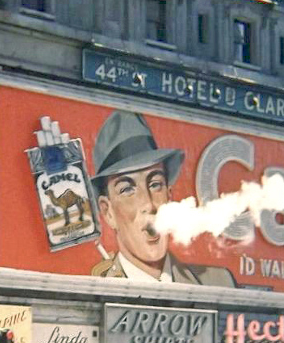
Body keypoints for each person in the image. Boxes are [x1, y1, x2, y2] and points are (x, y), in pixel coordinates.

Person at [90, 110, 236, 286]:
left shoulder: (219, 282)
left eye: (155, 184)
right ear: (108, 212)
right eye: (127, 189)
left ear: (169, 195)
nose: (149, 204)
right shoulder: (95, 289)